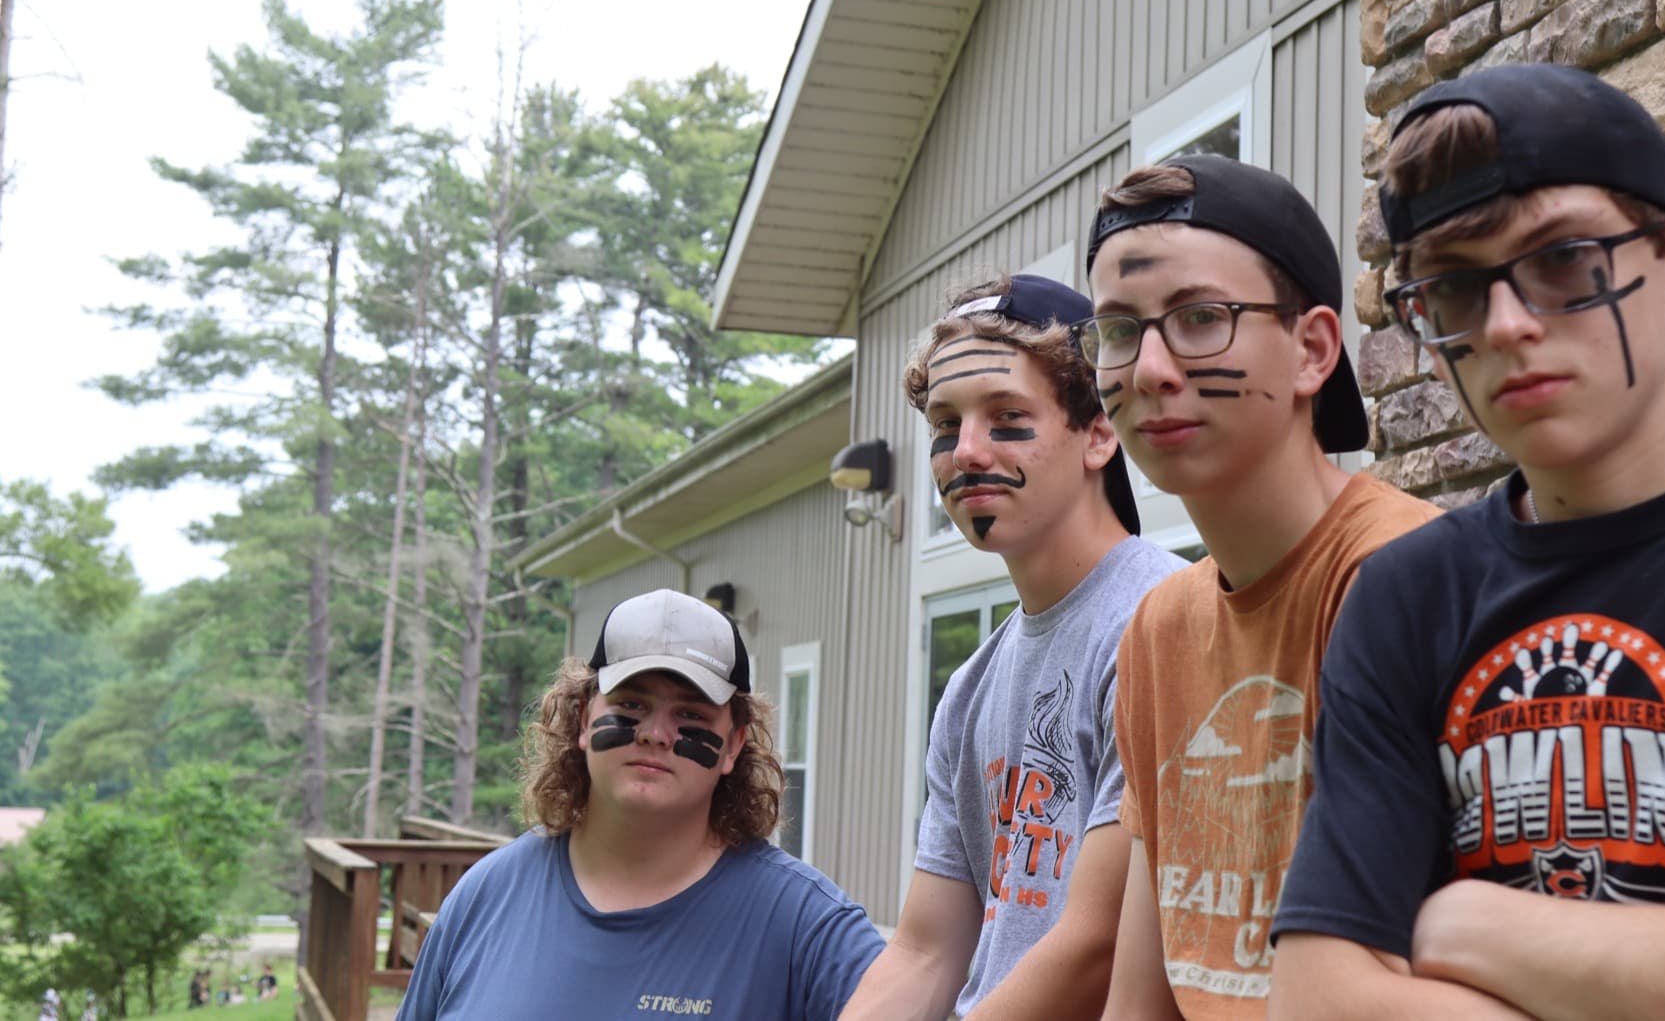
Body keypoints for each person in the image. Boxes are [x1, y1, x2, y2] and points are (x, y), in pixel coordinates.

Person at [1268, 62, 1665, 1019]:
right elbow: (1318, 1000)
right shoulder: (1407, 593)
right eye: (1451, 289)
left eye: (1565, 258)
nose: (1506, 323)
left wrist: (1466, 928)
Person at [1078, 154, 1440, 1019]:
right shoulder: (1159, 628)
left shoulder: (1405, 578)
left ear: (1314, 348)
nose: (1151, 369)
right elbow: (1143, 997)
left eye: (1201, 318)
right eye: (1119, 331)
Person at [841, 274, 1185, 1019]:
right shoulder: (968, 689)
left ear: (1100, 434)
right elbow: (927, 950)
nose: (964, 451)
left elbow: (1097, 943)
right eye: (943, 422)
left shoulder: (1161, 622)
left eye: (1005, 416)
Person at [397, 589, 884, 1020]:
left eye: (690, 713)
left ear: (734, 745)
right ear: (584, 720)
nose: (655, 734)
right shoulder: (485, 896)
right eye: (631, 706)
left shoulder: (807, 928)